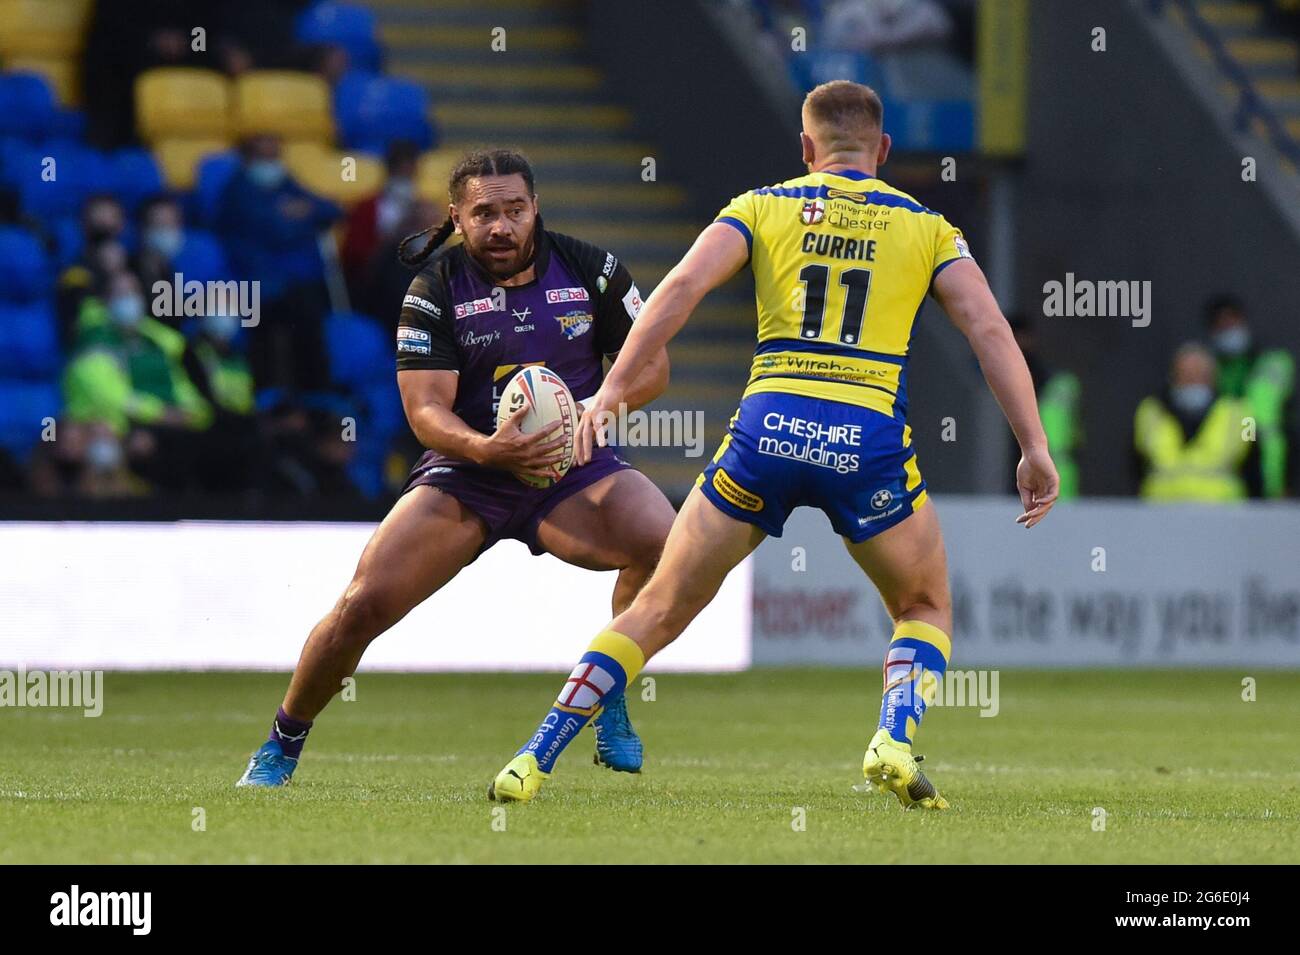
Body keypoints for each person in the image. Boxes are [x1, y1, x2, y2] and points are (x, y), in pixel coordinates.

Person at [489, 80, 1059, 809]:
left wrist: (610, 394)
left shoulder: (761, 206)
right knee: (924, 604)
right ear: (882, 150)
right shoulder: (928, 226)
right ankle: (891, 737)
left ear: (805, 148)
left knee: (658, 606)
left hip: (769, 429)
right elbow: (988, 330)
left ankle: (533, 757)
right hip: (866, 440)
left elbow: (681, 289)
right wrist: (1033, 443)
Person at [236, 149, 676, 787]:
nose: (501, 227)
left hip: (572, 469)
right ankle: (282, 742)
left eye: (514, 211)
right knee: (364, 604)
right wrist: (485, 449)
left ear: (535, 209)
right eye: (485, 213)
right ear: (457, 218)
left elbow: (652, 367)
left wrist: (595, 410)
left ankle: (605, 693)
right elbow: (425, 410)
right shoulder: (435, 287)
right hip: (467, 471)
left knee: (665, 545)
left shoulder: (592, 268)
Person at [1134, 342, 1255, 501]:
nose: (1192, 381)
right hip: (1161, 512)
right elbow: (1136, 462)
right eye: (1186, 375)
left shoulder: (1244, 415)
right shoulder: (1150, 412)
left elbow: (1254, 463)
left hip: (1223, 513)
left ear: (1213, 378)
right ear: (1173, 377)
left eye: (1200, 375)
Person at [1204, 295, 1294, 498]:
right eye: (1221, 325)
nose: (1229, 329)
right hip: (1230, 478)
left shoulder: (1272, 363)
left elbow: (1287, 423)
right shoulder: (1209, 371)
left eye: (1232, 321)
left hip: (1272, 469)